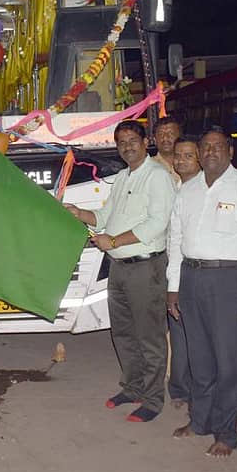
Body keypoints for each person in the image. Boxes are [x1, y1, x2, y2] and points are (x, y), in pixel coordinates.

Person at [166, 126, 237, 457]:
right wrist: (173, 288)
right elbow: (176, 241)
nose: (210, 152)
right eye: (205, 147)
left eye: (217, 147)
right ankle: (200, 421)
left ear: (229, 150)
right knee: (200, 359)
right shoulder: (188, 190)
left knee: (229, 363)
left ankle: (226, 433)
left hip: (229, 281)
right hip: (191, 278)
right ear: (198, 152)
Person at [65, 120, 176, 422]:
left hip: (145, 267)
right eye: (122, 142)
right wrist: (79, 214)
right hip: (118, 267)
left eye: (132, 140)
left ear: (145, 142)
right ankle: (133, 387)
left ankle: (152, 400)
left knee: (149, 336)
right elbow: (104, 217)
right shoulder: (124, 177)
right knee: (124, 333)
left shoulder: (157, 176)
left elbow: (157, 223)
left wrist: (113, 240)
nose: (127, 146)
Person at [166, 135, 201, 408]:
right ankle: (180, 388)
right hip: (173, 270)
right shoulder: (176, 186)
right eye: (178, 155)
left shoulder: (206, 188)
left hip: (199, 272)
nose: (181, 160)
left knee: (199, 337)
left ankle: (198, 392)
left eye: (188, 155)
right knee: (179, 335)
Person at [152, 116, 182, 186]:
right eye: (161, 134)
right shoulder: (147, 166)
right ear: (154, 140)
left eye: (171, 133)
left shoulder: (192, 164)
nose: (165, 138)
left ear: (180, 137)